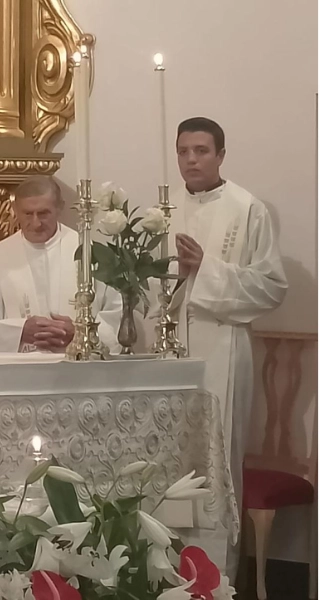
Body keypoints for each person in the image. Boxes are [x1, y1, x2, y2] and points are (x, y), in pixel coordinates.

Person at [164, 117, 287, 578]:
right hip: (170, 349)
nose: (191, 159)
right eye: (183, 151)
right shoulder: (163, 206)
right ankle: (165, 572)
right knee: (171, 460)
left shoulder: (247, 208)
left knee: (216, 461)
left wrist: (206, 269)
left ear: (220, 155)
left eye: (200, 150)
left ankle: (216, 578)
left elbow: (272, 287)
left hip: (223, 345)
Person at [0, 175, 122, 353]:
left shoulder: (88, 251)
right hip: (20, 373)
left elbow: (116, 314)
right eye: (27, 214)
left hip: (78, 370)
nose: (36, 223)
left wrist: (80, 332)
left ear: (59, 208)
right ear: (15, 209)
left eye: (43, 213)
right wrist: (20, 331)